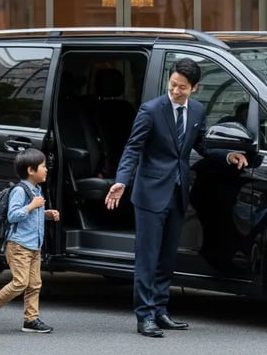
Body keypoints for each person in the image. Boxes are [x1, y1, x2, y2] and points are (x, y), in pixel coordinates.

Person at [105, 58, 248, 337]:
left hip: (178, 193)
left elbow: (202, 146)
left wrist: (228, 155)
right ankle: (144, 316)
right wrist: (121, 181)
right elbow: (133, 148)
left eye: (182, 87)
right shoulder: (151, 110)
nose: (175, 91)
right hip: (149, 195)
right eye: (172, 85)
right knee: (147, 258)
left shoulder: (196, 110)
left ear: (195, 88)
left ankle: (160, 310)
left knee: (167, 258)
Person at [0, 148, 60, 335]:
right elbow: (13, 215)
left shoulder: (37, 190)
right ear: (31, 170)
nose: (46, 170)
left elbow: (31, 216)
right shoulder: (20, 191)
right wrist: (32, 206)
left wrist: (46, 214)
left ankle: (31, 319)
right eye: (43, 166)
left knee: (34, 283)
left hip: (33, 245)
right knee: (20, 282)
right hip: (18, 245)